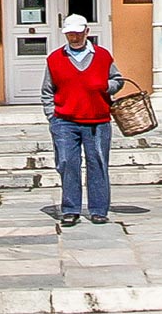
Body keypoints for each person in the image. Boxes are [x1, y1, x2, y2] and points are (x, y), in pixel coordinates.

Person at [41, 13, 124, 226]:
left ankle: (98, 209)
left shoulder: (103, 56)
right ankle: (70, 209)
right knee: (67, 162)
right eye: (70, 34)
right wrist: (52, 116)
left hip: (97, 120)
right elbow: (47, 90)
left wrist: (108, 87)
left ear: (86, 32)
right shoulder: (55, 59)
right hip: (65, 120)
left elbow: (117, 79)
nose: (74, 37)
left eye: (78, 33)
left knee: (97, 163)